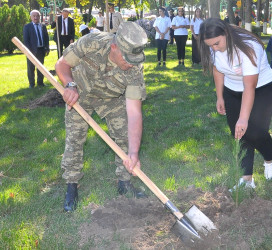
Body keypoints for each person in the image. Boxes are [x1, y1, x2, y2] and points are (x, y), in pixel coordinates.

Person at [55, 21, 148, 212]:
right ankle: (71, 185)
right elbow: (62, 64)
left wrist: (134, 153)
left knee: (124, 136)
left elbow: (134, 113)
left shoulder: (135, 70)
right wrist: (69, 85)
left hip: (111, 99)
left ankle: (124, 181)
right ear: (114, 46)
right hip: (79, 94)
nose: (131, 64)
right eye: (128, 58)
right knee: (75, 139)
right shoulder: (92, 42)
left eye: (135, 59)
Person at [199, 18, 272, 190]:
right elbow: (217, 69)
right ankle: (246, 180)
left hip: (260, 87)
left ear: (225, 34)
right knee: (238, 132)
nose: (214, 49)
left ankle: (270, 158)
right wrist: (220, 97)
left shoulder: (248, 47)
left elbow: (249, 86)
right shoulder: (213, 47)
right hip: (232, 88)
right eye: (211, 46)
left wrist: (244, 118)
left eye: (217, 43)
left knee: (254, 131)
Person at [23, 10, 49, 88]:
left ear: (39, 17)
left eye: (37, 16)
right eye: (34, 16)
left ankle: (40, 83)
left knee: (41, 67)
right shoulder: (27, 27)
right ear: (31, 17)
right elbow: (26, 40)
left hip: (41, 50)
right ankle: (31, 84)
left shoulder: (43, 26)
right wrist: (28, 51)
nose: (35, 17)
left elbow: (46, 38)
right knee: (31, 68)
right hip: (31, 51)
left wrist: (47, 48)